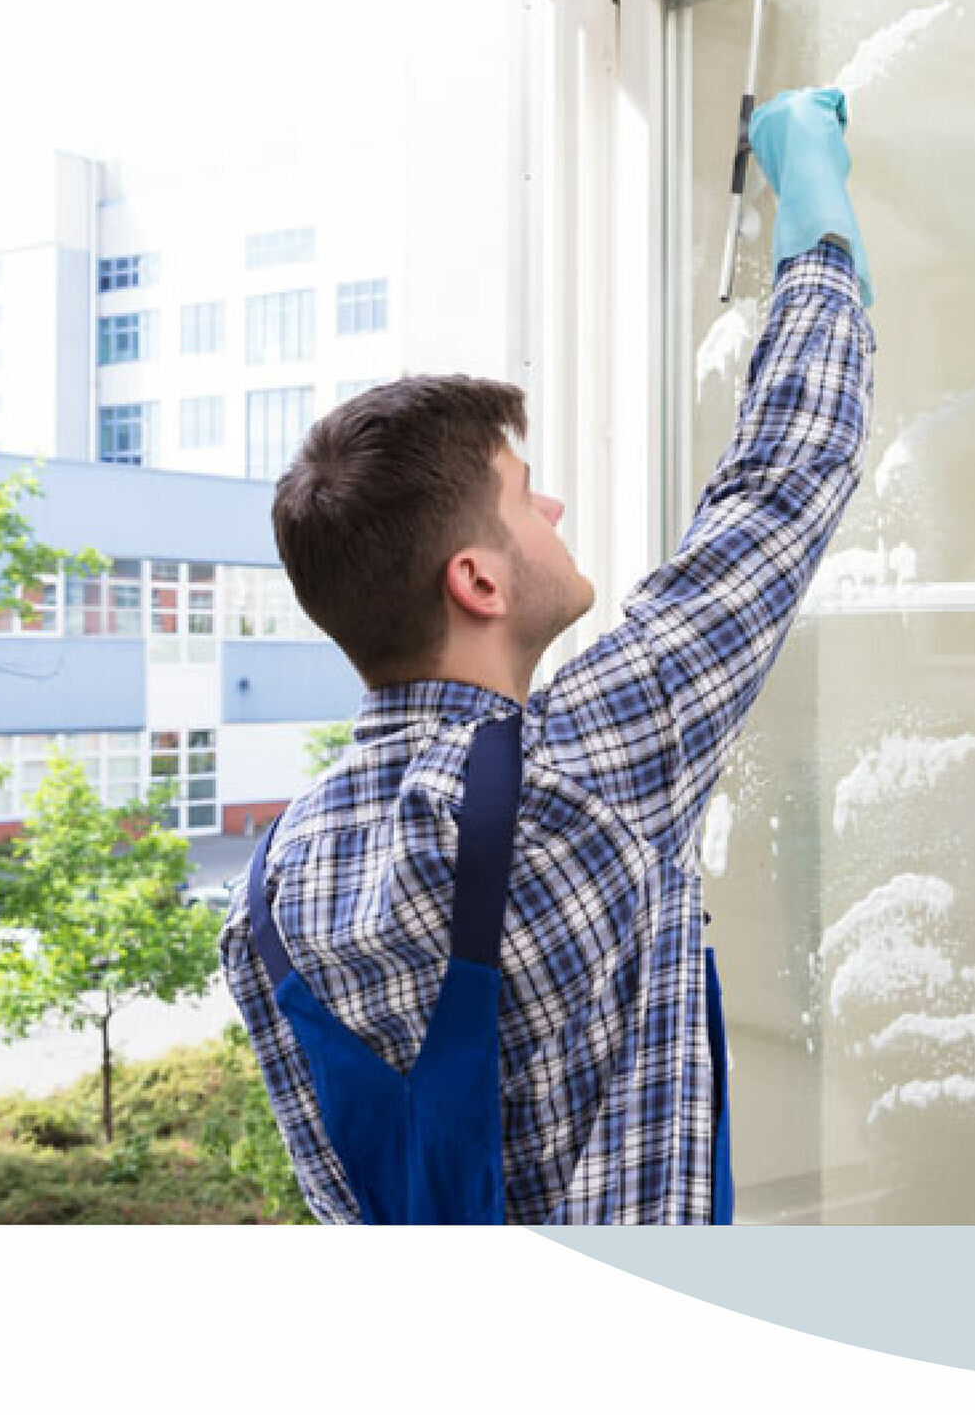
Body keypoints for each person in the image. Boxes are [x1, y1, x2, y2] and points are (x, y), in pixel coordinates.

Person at [222, 87, 875, 1223]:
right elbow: (783, 480)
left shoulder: (270, 893)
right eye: (526, 498)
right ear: (476, 581)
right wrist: (814, 209)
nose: (556, 507)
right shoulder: (575, 776)